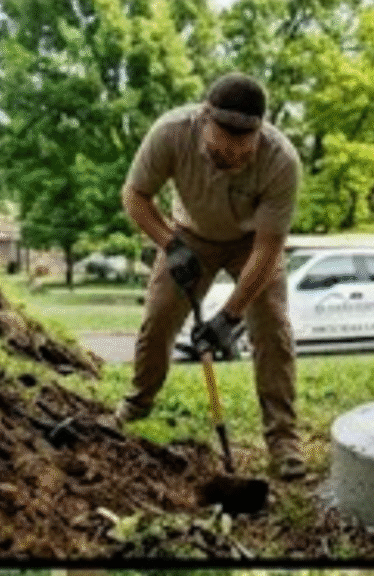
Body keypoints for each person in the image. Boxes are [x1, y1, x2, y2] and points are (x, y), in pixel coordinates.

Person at [113, 72, 305, 480]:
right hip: (188, 236)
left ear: (258, 135)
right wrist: (170, 244)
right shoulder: (170, 133)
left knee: (273, 325)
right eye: (220, 153)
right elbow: (135, 196)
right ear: (204, 120)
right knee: (160, 315)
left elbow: (269, 248)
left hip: (252, 243)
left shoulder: (281, 161)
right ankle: (138, 403)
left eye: (241, 155)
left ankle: (284, 439)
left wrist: (230, 317)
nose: (230, 161)